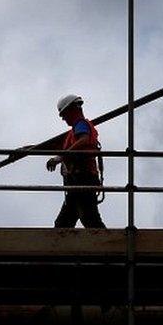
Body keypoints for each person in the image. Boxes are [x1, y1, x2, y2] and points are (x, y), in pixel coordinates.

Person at [46, 94, 106, 228]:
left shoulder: (81, 125)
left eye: (64, 114)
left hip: (82, 179)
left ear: (73, 109)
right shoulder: (72, 133)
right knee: (63, 223)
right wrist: (27, 149)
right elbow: (52, 146)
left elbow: (84, 139)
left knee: (89, 219)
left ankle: (111, 247)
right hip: (76, 182)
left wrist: (60, 157)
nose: (62, 118)